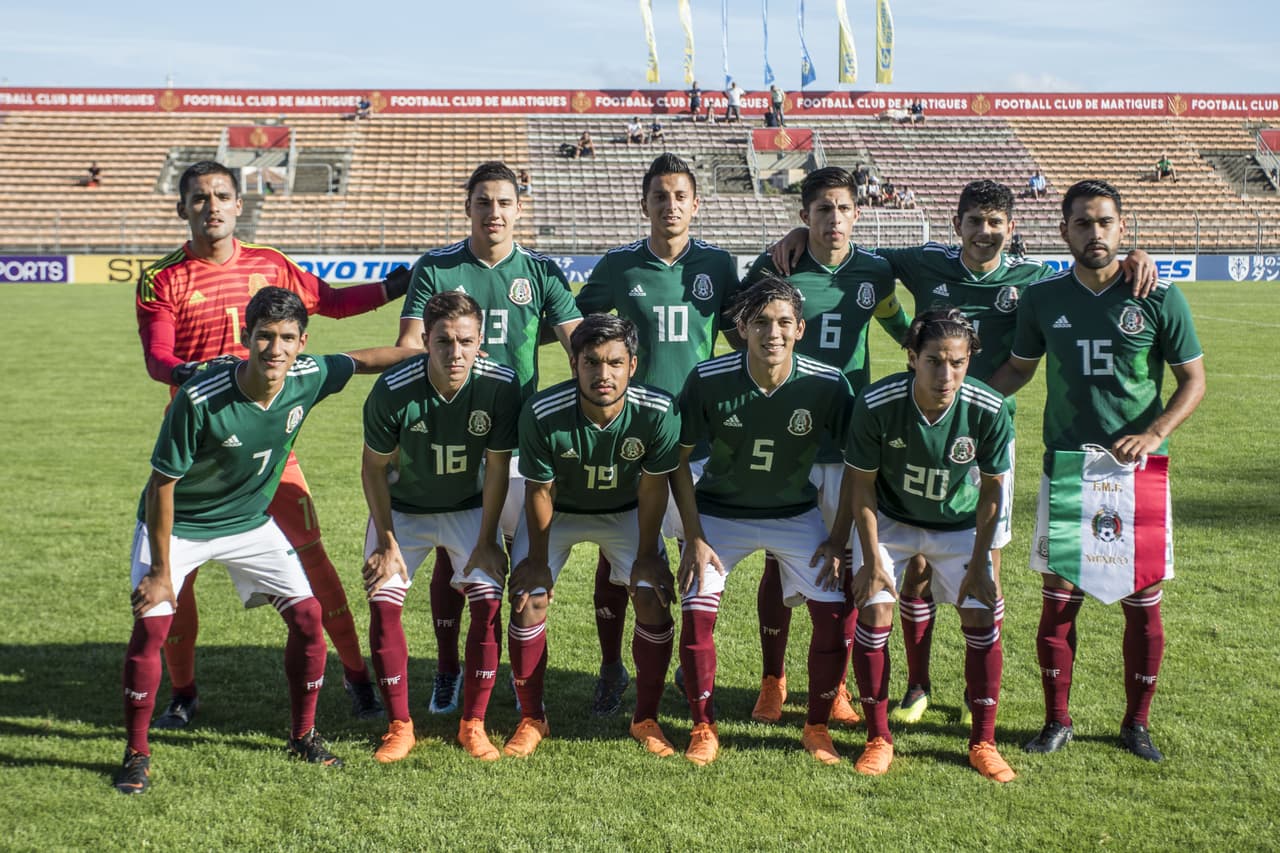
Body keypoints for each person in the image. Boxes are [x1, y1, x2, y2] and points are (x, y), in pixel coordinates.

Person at [768, 179, 1155, 727]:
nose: (985, 232)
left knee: (983, 565)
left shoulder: (1033, 280)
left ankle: (981, 704)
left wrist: (1135, 253)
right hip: (922, 428)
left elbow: (1090, 272)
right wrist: (800, 232)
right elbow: (849, 248)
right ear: (958, 226)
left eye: (996, 223)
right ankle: (916, 684)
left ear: (1011, 229)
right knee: (917, 564)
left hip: (988, 437)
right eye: (974, 221)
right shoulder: (924, 263)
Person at [136, 160, 409, 729]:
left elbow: (329, 302)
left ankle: (357, 676)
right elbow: (157, 359)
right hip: (200, 450)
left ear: (239, 204)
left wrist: (391, 287)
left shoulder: (272, 264)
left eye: (221, 196)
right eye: (199, 197)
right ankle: (182, 692)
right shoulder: (161, 279)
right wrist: (191, 373)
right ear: (182, 207)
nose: (211, 206)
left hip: (268, 449)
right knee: (174, 579)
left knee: (314, 558)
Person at [114, 286, 416, 794]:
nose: (275, 349)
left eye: (287, 338)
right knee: (152, 625)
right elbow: (162, 486)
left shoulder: (307, 376)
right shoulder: (199, 398)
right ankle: (136, 753)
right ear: (245, 337)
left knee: (307, 616)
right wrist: (163, 572)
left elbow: (363, 359)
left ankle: (303, 736)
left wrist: (427, 354)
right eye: (264, 337)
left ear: (302, 342)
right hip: (180, 525)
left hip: (248, 524)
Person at [989, 179, 1205, 763]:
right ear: (1065, 231)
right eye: (1082, 223)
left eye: (1105, 222)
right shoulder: (1043, 297)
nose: (1095, 233)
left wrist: (1155, 432)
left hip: (1137, 471)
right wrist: (965, 397)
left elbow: (1194, 382)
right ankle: (1057, 720)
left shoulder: (1159, 296)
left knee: (1144, 601)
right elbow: (1016, 370)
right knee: (1058, 600)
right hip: (1068, 466)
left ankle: (1137, 724)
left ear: (1122, 226)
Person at [397, 160, 581, 716]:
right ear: (468, 206)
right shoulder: (436, 266)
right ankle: (450, 671)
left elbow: (579, 348)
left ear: (519, 207)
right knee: (453, 558)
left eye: (504, 202)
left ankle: (504, 674)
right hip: (451, 438)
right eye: (483, 202)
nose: (493, 212)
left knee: (517, 562)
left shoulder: (542, 272)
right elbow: (409, 345)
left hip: (520, 443)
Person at [729, 167, 908, 727]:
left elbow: (897, 322)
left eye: (843, 209)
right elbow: (740, 329)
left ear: (859, 213)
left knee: (848, 562)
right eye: (822, 210)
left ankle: (839, 688)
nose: (833, 219)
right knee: (779, 563)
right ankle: (772, 681)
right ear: (804, 216)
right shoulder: (778, 266)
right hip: (788, 439)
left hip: (850, 438)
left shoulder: (875, 272)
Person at [576, 152, 738, 716]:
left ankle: (685, 668)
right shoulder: (619, 267)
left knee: (696, 553)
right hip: (633, 435)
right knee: (620, 552)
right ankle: (610, 667)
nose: (670, 205)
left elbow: (747, 336)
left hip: (699, 437)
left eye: (680, 195)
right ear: (643, 203)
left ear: (697, 203)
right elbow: (578, 331)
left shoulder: (719, 266)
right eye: (660, 195)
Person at [673, 277, 854, 767]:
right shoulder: (709, 379)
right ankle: (703, 727)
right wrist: (693, 536)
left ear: (800, 328)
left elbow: (861, 465)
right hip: (719, 516)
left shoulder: (827, 383)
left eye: (782, 323)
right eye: (759, 323)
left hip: (796, 515)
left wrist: (838, 540)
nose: (771, 333)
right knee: (696, 609)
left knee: (833, 613)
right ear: (741, 328)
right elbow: (677, 459)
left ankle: (816, 727)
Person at [843, 308, 1016, 782]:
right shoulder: (877, 403)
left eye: (957, 362)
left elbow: (992, 492)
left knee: (982, 611)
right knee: (875, 610)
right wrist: (873, 558)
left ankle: (983, 740)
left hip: (959, 525)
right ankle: (879, 737)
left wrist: (982, 561)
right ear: (912, 358)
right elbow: (860, 486)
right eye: (935, 361)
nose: (946, 374)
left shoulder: (989, 407)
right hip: (892, 522)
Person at [505, 314, 682, 758]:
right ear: (574, 363)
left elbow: (653, 486)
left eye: (615, 363)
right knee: (530, 597)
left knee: (651, 594)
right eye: (592, 362)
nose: (603, 374)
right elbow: (540, 489)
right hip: (559, 511)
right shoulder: (543, 412)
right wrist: (538, 561)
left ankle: (646, 718)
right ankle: (531, 718)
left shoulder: (659, 410)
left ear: (633, 365)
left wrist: (646, 554)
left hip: (624, 512)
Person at [361, 291, 522, 763]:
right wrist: (387, 541)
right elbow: (373, 470)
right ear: (425, 341)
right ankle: (399, 725)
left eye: (466, 342)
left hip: (468, 507)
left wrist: (490, 538)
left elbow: (497, 469)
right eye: (445, 341)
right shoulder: (393, 389)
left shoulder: (500, 385)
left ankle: (472, 723)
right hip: (404, 511)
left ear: (481, 342)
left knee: (488, 601)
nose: (456, 353)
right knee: (383, 600)